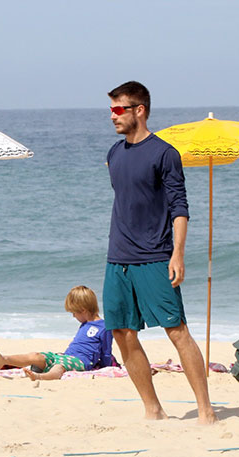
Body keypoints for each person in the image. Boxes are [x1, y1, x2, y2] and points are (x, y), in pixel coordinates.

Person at [104, 81, 217, 424]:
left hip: (154, 256)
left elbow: (179, 208)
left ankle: (205, 409)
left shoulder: (164, 153)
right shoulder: (113, 153)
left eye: (119, 109)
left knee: (177, 331)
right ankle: (152, 409)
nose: (113, 116)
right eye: (111, 109)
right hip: (117, 259)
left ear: (139, 110)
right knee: (122, 333)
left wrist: (177, 254)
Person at [0, 286, 113, 380]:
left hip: (80, 361)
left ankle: (41, 377)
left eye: (74, 313)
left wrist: (106, 365)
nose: (74, 316)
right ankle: (4, 359)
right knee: (36, 355)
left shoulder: (104, 327)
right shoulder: (85, 324)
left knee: (59, 367)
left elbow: (106, 352)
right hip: (65, 356)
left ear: (83, 310)